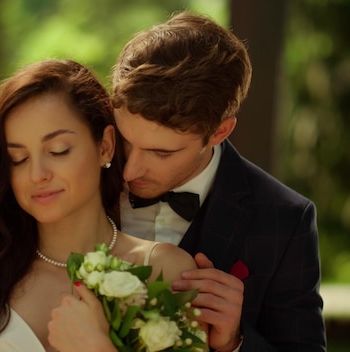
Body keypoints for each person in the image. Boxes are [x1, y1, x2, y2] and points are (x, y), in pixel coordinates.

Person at [0, 59, 198, 352]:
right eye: (18, 159)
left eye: (57, 151)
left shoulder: (163, 271)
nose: (37, 175)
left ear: (105, 146)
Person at [111, 10, 326, 352]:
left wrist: (235, 341)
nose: (127, 171)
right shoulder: (80, 181)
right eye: (125, 140)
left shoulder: (285, 220)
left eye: (161, 153)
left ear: (219, 131)